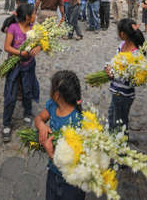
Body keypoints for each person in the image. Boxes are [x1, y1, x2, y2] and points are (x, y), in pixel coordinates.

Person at [34, 70, 85, 200]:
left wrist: (51, 154)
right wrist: (41, 126)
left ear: (57, 95)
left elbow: (73, 165)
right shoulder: (52, 105)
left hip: (71, 183)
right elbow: (39, 117)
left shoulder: (77, 122)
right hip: (53, 173)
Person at [2, 4, 41, 142]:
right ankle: (6, 123)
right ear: (27, 17)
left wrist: (38, 47)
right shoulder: (13, 28)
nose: (35, 16)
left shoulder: (33, 28)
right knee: (10, 95)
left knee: (27, 90)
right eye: (34, 14)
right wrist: (20, 53)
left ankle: (27, 113)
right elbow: (7, 47)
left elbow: (40, 42)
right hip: (14, 67)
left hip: (28, 66)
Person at [106, 19, 145, 135]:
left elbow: (133, 78)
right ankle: (112, 140)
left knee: (120, 122)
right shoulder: (121, 45)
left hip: (124, 94)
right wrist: (109, 68)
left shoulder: (135, 54)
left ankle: (121, 147)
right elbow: (114, 62)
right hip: (115, 90)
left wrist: (115, 74)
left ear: (123, 34)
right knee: (112, 116)